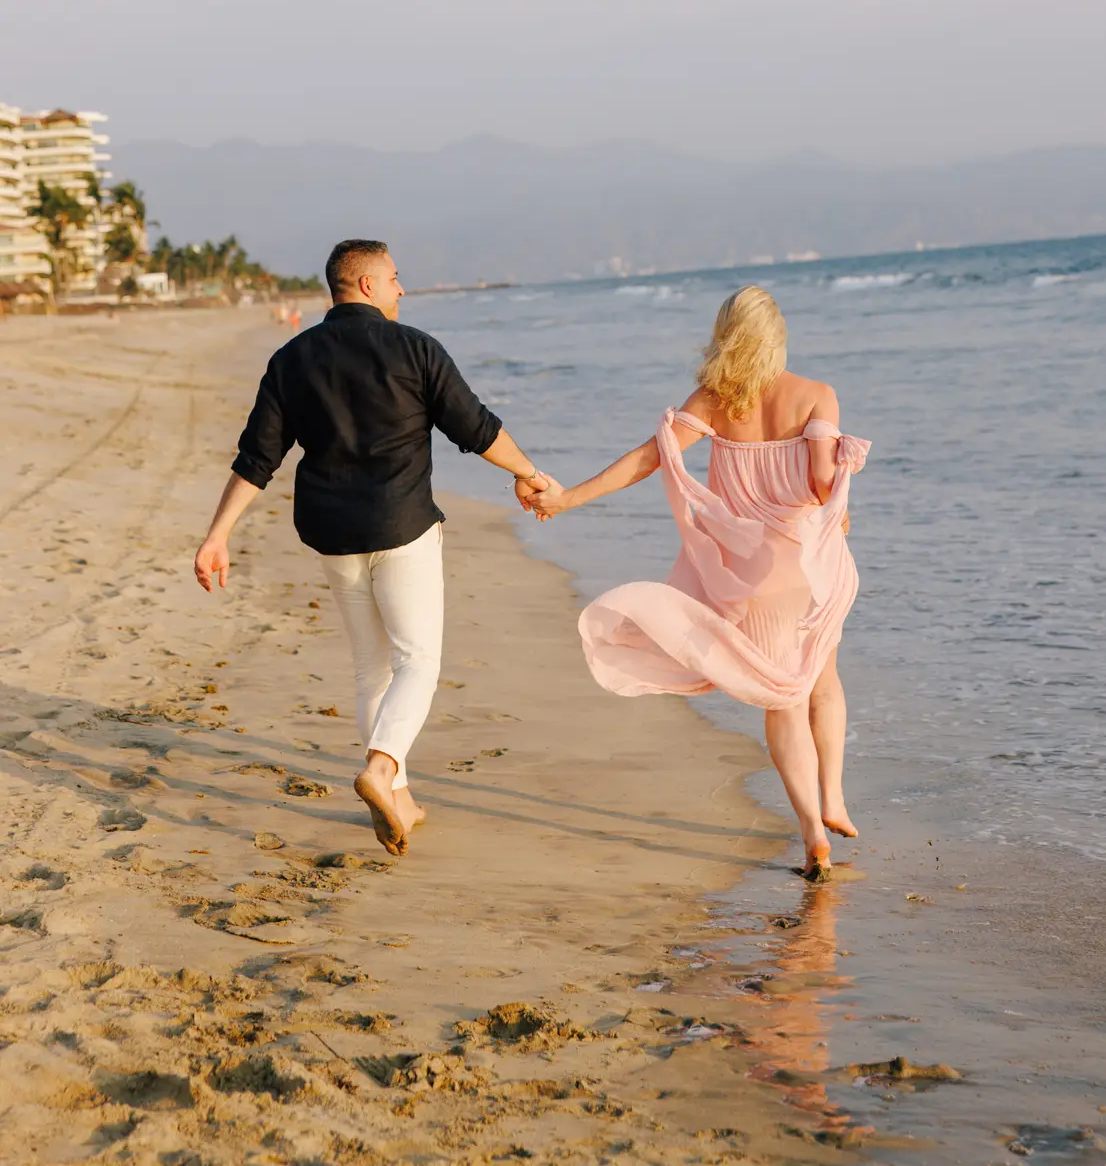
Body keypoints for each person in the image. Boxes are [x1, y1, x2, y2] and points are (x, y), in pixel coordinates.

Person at [193, 238, 559, 856]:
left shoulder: (292, 358)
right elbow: (476, 427)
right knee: (418, 661)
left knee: (372, 667)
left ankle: (403, 800)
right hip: (402, 526)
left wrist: (217, 534)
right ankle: (383, 770)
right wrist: (528, 473)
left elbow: (258, 459)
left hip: (332, 535)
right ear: (365, 285)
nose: (401, 288)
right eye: (393, 278)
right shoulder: (414, 348)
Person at [523, 286, 868, 881]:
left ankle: (813, 828)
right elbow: (818, 482)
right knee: (824, 681)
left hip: (748, 577)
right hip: (808, 568)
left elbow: (648, 458)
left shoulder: (713, 402)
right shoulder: (817, 395)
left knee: (781, 700)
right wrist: (843, 480)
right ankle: (834, 794)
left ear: (726, 336)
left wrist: (569, 497)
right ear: (777, 336)